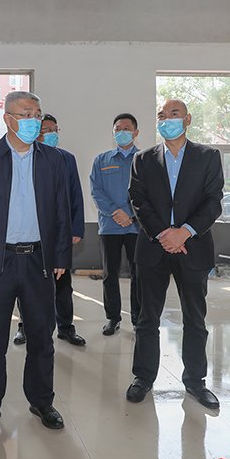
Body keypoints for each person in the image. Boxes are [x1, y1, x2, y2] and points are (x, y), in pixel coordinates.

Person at [0, 91, 71, 434]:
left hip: (38, 260)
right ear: (8, 119)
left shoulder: (53, 160)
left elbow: (62, 211)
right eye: (26, 114)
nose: (34, 120)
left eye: (37, 114)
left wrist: (61, 256)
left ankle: (42, 401)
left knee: (41, 336)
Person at [125, 99, 223, 411]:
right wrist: (163, 233)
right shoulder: (143, 159)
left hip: (193, 247)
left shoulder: (208, 156)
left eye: (174, 114)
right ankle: (143, 377)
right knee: (146, 318)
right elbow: (137, 200)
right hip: (153, 248)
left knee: (195, 318)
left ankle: (195, 381)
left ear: (187, 119)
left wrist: (184, 232)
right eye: (162, 115)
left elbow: (213, 201)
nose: (167, 119)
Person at [15, 114, 86, 346]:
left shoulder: (66, 158)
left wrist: (76, 228)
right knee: (27, 284)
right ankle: (24, 327)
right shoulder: (26, 157)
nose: (51, 134)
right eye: (45, 130)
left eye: (54, 129)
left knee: (63, 284)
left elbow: (75, 194)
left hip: (60, 233)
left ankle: (65, 327)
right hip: (33, 234)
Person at [89, 114, 141, 336]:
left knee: (139, 273)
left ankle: (138, 319)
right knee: (110, 273)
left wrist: (130, 214)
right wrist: (115, 212)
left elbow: (149, 192)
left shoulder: (144, 159)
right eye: (118, 129)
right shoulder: (102, 160)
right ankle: (112, 318)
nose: (121, 132)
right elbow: (96, 191)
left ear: (136, 132)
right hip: (109, 226)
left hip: (137, 227)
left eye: (126, 128)